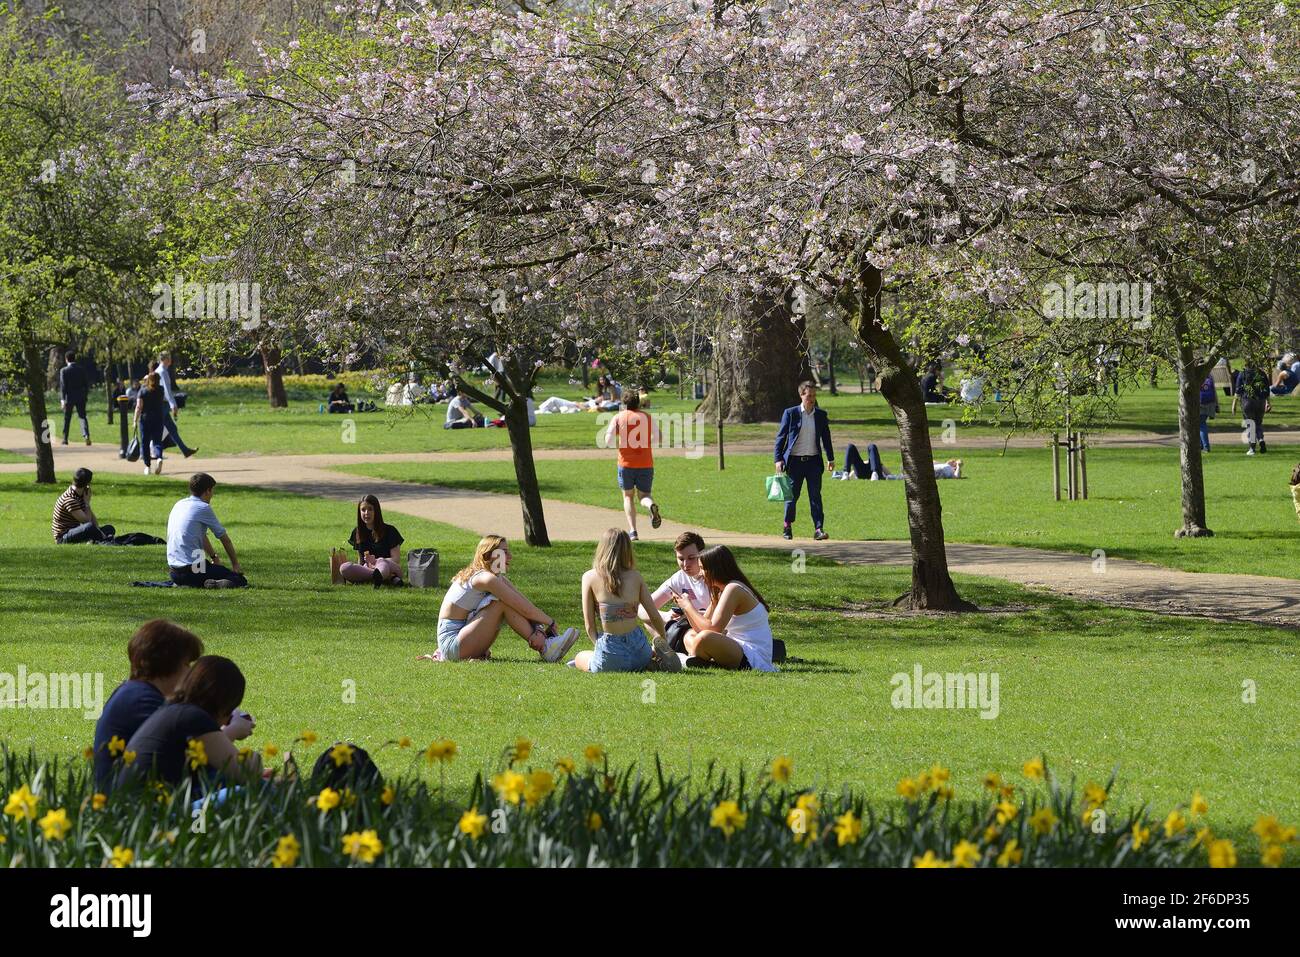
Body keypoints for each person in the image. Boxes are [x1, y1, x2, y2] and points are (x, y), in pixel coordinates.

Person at [92, 620, 255, 791]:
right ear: (166, 662)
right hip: (131, 806)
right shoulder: (142, 701)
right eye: (186, 664)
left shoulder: (134, 693)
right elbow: (187, 756)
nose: (190, 673)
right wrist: (233, 730)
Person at [423, 534, 577, 662]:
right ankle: (545, 648)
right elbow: (522, 608)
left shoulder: (496, 578)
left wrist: (538, 627)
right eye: (504, 552)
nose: (509, 556)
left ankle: (546, 645)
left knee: (505, 601)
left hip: (464, 638)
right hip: (452, 646)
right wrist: (550, 622)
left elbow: (524, 604)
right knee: (500, 602)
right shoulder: (484, 578)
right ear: (489, 556)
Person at [121, 655, 261, 790]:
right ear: (223, 707)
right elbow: (246, 773)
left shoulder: (174, 710)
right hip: (157, 809)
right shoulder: (194, 717)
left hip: (139, 805)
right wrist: (256, 758)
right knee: (254, 791)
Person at [572, 529, 677, 672]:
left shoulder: (589, 577)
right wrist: (663, 642)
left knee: (580, 657)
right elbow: (655, 617)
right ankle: (650, 658)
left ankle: (610, 660)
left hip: (611, 651)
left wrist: (600, 647)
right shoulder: (635, 577)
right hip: (639, 649)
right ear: (628, 549)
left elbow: (590, 626)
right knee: (642, 655)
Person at [672, 545, 777, 672]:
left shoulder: (733, 589)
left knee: (704, 637)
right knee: (689, 634)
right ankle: (699, 660)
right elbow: (700, 627)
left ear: (714, 569)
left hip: (752, 655)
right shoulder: (720, 591)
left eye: (702, 569)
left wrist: (688, 606)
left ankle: (686, 659)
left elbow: (713, 628)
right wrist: (685, 608)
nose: (700, 574)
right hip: (735, 646)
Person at [773, 381, 834, 541]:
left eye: (814, 395)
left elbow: (826, 438)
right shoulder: (791, 413)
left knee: (815, 496)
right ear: (801, 395)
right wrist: (778, 459)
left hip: (814, 462)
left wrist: (830, 458)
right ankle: (787, 526)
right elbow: (781, 437)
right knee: (792, 496)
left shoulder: (820, 415)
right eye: (809, 396)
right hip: (794, 462)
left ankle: (818, 529)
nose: (812, 399)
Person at [166, 473, 247, 588]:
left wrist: (214, 557)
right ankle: (214, 584)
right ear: (207, 491)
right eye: (212, 491)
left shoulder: (179, 504)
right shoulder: (203, 507)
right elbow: (225, 539)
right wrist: (235, 565)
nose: (212, 495)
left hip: (174, 572)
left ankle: (190, 583)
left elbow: (201, 536)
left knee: (209, 569)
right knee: (239, 579)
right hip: (193, 570)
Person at [604, 389, 662, 541]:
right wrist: (646, 443)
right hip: (645, 463)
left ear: (624, 403)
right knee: (644, 495)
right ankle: (650, 506)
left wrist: (618, 442)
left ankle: (633, 531)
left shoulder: (618, 417)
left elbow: (608, 439)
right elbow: (659, 437)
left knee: (628, 496)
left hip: (626, 463)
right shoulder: (647, 417)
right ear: (638, 402)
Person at [643, 531, 711, 655]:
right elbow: (643, 608)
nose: (685, 565)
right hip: (688, 628)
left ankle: (674, 651)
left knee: (694, 635)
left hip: (711, 629)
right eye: (681, 559)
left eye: (691, 558)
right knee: (649, 620)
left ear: (702, 555)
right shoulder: (679, 578)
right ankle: (666, 649)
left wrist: (689, 614)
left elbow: (716, 621)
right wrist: (666, 616)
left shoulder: (713, 577)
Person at [331, 494, 403, 587]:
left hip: (389, 566)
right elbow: (360, 561)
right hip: (368, 568)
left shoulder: (390, 531)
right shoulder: (357, 532)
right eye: (363, 510)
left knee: (381, 561)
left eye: (370, 509)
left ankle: (384, 576)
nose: (366, 513)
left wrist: (375, 561)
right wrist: (357, 570)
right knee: (344, 567)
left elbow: (396, 559)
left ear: (376, 511)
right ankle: (382, 578)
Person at [51, 468, 115, 544]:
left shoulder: (80, 495)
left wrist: (98, 531)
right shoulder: (70, 500)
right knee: (89, 527)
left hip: (75, 531)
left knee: (110, 528)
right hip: (63, 537)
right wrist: (87, 503)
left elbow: (94, 524)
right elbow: (86, 521)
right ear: (87, 484)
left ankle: (96, 540)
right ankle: (101, 540)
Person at [841, 442, 962, 480]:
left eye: (954, 463)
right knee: (851, 446)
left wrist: (959, 466)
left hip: (878, 473)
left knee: (872, 446)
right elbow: (928, 462)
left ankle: (874, 472)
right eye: (952, 461)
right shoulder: (941, 465)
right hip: (868, 470)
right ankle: (845, 473)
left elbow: (957, 477)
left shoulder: (950, 471)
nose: (953, 462)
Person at [156, 352, 198, 458]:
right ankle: (149, 452)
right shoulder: (162, 372)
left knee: (172, 429)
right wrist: (173, 404)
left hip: (163, 404)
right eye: (169, 358)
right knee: (158, 431)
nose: (170, 360)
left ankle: (185, 450)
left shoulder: (161, 371)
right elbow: (167, 390)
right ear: (165, 359)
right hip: (163, 404)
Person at [1232, 360, 1272, 455]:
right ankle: (1261, 439)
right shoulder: (1261, 374)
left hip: (1247, 402)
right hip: (1260, 401)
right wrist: (1268, 403)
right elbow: (1267, 390)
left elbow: (1238, 390)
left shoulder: (1243, 374)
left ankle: (1252, 448)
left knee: (1250, 424)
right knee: (1258, 423)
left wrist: (1234, 404)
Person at [133, 372, 168, 475]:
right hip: (158, 418)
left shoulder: (143, 391)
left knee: (145, 442)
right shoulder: (160, 390)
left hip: (145, 419)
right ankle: (159, 458)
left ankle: (147, 466)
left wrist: (135, 420)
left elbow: (139, 407)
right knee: (157, 441)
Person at [59, 350, 91, 446]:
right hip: (80, 396)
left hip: (69, 397)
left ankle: (65, 439)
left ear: (66, 359)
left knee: (67, 418)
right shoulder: (81, 369)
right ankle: (86, 435)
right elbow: (86, 384)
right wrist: (85, 395)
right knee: (82, 417)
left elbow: (63, 386)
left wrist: (62, 399)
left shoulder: (64, 371)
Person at [1198, 374, 1219, 452]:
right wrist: (1217, 405)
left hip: (1199, 404)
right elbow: (1214, 391)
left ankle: (1206, 447)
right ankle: (1200, 446)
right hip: (1210, 403)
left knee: (1201, 425)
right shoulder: (1209, 375)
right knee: (1200, 425)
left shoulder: (1194, 374)